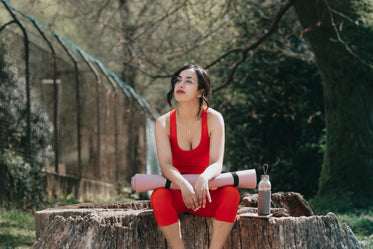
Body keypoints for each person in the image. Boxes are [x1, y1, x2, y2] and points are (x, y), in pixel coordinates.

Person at [150, 64, 240, 249]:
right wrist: (183, 184)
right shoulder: (163, 122)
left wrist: (204, 178)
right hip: (177, 192)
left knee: (231, 194)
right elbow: (166, 166)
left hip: (205, 192)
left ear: (200, 91)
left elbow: (216, 163)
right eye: (178, 80)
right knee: (158, 196)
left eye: (188, 81)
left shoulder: (215, 119)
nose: (180, 84)